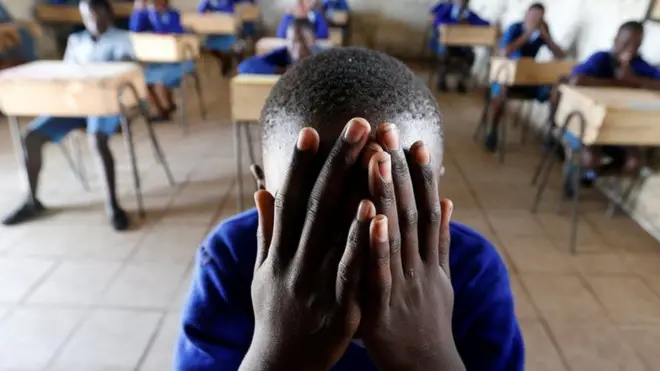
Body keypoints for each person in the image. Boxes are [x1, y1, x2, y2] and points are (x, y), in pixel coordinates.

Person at [175, 48, 523, 370]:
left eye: (393, 209)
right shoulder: (229, 261)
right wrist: (277, 351)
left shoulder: (474, 272)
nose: (354, 249)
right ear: (265, 196)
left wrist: (429, 353)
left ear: (433, 191)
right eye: (316, 214)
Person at [2, 0, 134, 230]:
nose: (91, 22)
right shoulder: (76, 41)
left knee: (97, 140)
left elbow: (126, 73)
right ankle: (32, 201)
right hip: (75, 105)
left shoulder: (122, 38)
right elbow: (67, 74)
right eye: (86, 17)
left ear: (108, 15)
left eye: (96, 15)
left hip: (106, 105)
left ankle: (113, 205)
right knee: (31, 136)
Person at [549, 20, 660, 197]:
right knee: (590, 158)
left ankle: (589, 174)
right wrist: (620, 82)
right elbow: (576, 80)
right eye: (625, 43)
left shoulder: (639, 65)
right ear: (615, 40)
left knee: (634, 163)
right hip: (585, 124)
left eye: (635, 45)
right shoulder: (601, 58)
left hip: (618, 130)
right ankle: (583, 168)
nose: (629, 50)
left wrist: (635, 81)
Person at [484, 2, 565, 152]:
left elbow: (560, 55)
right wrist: (527, 35)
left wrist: (546, 37)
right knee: (502, 90)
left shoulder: (542, 32)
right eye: (532, 16)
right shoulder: (515, 28)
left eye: (539, 17)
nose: (535, 20)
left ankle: (550, 134)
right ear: (526, 15)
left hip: (529, 78)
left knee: (556, 93)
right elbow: (505, 52)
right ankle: (493, 130)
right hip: (507, 76)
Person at [129, 0, 193, 121]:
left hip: (179, 61)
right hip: (160, 60)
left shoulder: (174, 15)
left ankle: (169, 105)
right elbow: (135, 29)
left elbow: (168, 35)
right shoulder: (148, 14)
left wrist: (154, 15)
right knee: (143, 79)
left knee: (161, 78)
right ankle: (162, 110)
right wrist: (138, 11)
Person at [430, 0, 489, 93]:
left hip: (461, 45)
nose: (462, 2)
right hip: (445, 44)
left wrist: (470, 24)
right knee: (445, 55)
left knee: (470, 56)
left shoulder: (468, 14)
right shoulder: (447, 9)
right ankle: (441, 81)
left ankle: (461, 82)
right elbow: (438, 21)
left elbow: (484, 23)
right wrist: (457, 23)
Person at [238, 18, 316, 75]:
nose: (298, 46)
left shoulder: (320, 55)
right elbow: (244, 67)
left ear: (312, 40)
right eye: (293, 41)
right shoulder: (282, 54)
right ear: (287, 40)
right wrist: (282, 71)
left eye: (302, 40)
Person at [196, 0, 241, 77]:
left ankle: (226, 61)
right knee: (208, 48)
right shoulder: (210, 1)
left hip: (227, 33)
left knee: (226, 49)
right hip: (215, 33)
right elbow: (200, 9)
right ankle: (225, 59)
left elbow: (230, 11)